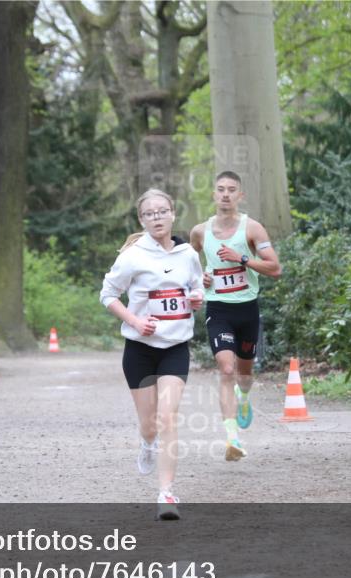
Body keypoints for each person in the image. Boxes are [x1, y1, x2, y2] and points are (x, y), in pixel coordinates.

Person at [100, 189, 204, 520]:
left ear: (173, 214)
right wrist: (134, 319)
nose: (157, 217)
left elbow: (197, 286)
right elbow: (108, 294)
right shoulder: (132, 256)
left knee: (167, 417)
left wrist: (197, 298)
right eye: (150, 213)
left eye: (162, 211)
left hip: (175, 348)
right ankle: (147, 445)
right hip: (140, 351)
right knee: (149, 426)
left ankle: (166, 493)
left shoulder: (188, 253)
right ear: (142, 220)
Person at [190, 171, 281, 461]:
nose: (226, 194)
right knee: (227, 370)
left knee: (244, 374)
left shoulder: (252, 229)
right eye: (220, 189)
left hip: (247, 309)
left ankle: (244, 398)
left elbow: (275, 269)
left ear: (240, 196)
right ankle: (233, 439)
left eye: (232, 190)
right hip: (218, 309)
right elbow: (187, 265)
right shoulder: (199, 232)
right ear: (214, 195)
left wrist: (242, 258)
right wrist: (198, 279)